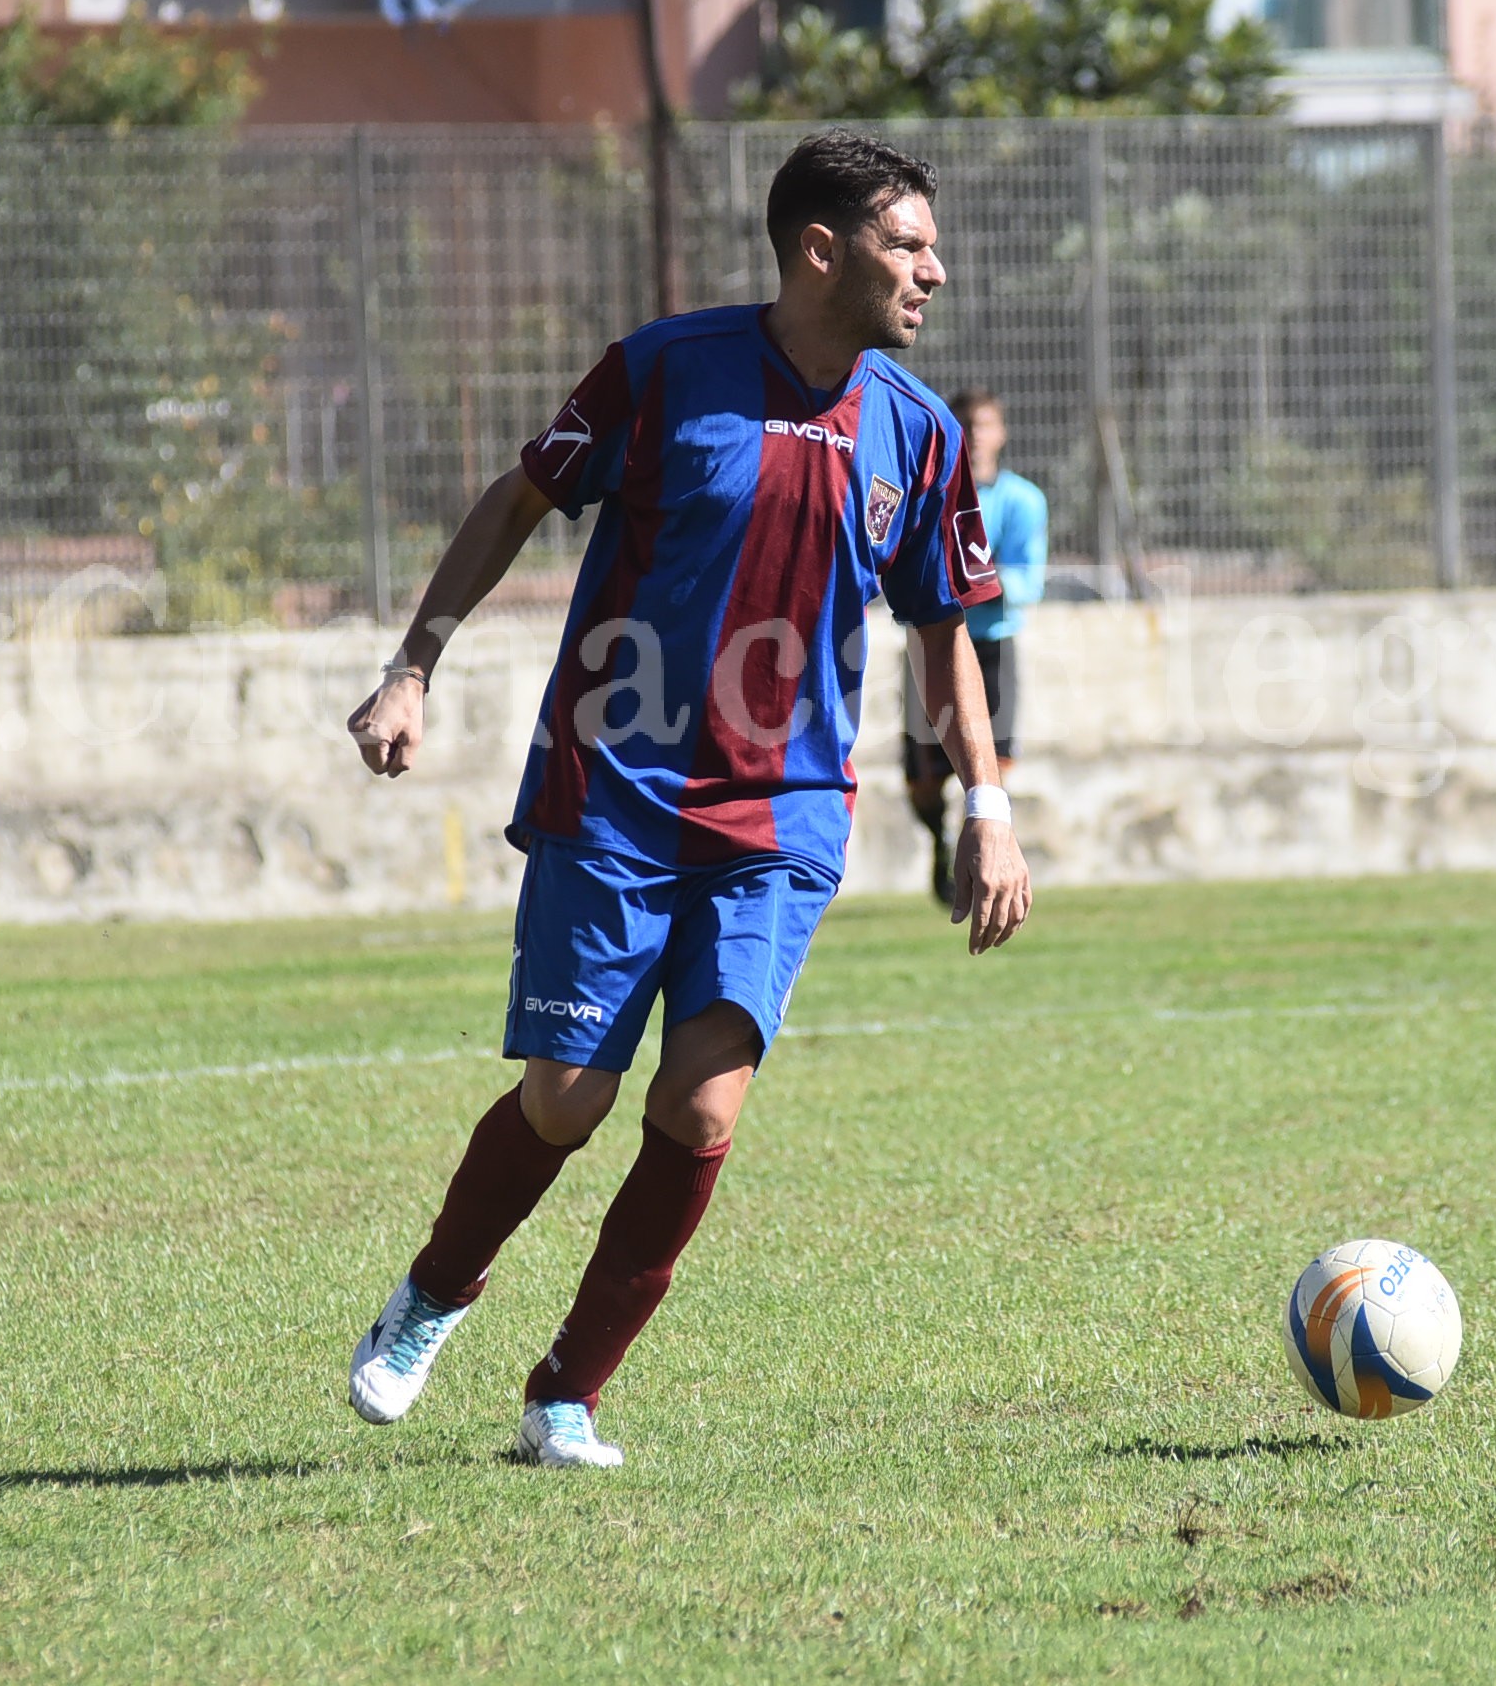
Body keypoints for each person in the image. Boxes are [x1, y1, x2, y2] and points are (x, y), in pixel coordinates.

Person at [340, 130, 1033, 1468]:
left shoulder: (920, 432)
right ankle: (437, 1289)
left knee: (704, 1111)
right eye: (910, 244)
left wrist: (990, 805)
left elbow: (944, 627)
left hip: (780, 819)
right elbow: (520, 497)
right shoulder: (666, 370)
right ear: (821, 250)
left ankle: (568, 1395)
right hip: (617, 795)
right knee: (566, 1100)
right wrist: (412, 667)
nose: (934, 272)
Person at [902, 390, 1047, 906]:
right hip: (932, 644)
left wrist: (959, 581)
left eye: (984, 425)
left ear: (1000, 434)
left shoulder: (1023, 501)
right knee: (923, 780)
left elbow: (1027, 581)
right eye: (964, 424)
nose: (975, 435)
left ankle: (986, 857)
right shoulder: (928, 493)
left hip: (994, 646)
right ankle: (939, 841)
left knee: (995, 765)